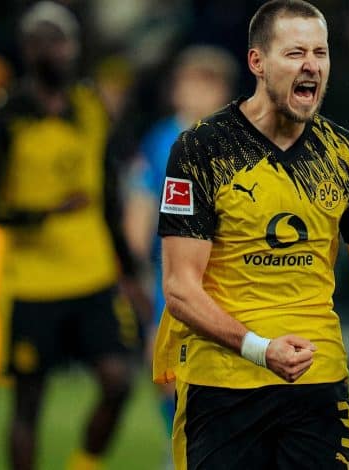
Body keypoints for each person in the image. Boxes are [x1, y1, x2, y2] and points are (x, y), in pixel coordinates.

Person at [151, 1, 349, 468]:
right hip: (223, 385)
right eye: (295, 53)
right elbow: (179, 288)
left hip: (317, 384)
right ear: (257, 62)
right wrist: (260, 349)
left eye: (321, 53)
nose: (312, 65)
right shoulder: (201, 149)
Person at [0, 2, 146, 469]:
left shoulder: (88, 108)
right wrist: (46, 212)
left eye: (62, 41)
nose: (56, 51)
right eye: (45, 41)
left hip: (92, 275)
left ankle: (84, 464)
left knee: (118, 381)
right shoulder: (3, 120)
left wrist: (130, 273)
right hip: (33, 281)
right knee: (29, 402)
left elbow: (107, 196)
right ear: (27, 49)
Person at [124, 45, 238, 445]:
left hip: (229, 274)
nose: (199, 94)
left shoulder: (237, 140)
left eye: (209, 84)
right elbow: (139, 204)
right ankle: (183, 444)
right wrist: (133, 263)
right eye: (192, 83)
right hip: (172, 274)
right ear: (177, 90)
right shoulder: (161, 141)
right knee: (166, 369)